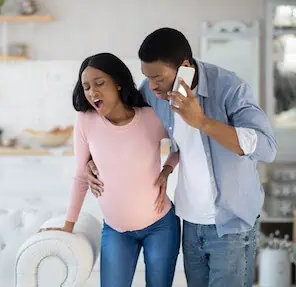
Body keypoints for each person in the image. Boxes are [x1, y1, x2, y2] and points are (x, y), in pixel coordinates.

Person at [86, 28, 278, 287]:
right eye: (147, 77)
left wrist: (202, 121)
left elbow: (267, 148)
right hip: (190, 220)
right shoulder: (154, 94)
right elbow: (127, 125)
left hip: (231, 225)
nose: (152, 86)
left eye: (158, 78)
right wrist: (90, 159)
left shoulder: (230, 88)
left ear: (185, 67)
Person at [41, 52, 181, 287]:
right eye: (86, 87)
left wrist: (167, 168)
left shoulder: (150, 117)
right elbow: (80, 175)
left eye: (99, 83)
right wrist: (68, 225)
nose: (92, 92)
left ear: (117, 83)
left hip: (160, 226)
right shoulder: (86, 120)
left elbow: (182, 146)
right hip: (116, 230)